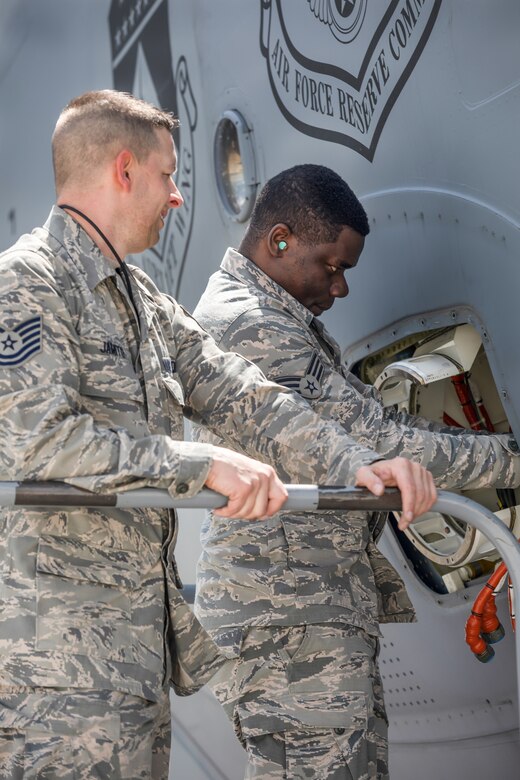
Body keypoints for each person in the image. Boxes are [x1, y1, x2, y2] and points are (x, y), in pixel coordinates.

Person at [0, 95, 436, 779]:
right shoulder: (29, 282)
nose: (177, 196)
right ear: (123, 171)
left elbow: (246, 398)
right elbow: (37, 442)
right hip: (54, 675)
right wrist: (201, 465)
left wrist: (360, 464)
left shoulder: (144, 303)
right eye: (167, 175)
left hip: (133, 662)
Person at [192, 164, 520, 780]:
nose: (340, 288)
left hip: (312, 613)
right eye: (332, 265)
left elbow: (372, 420)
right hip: (288, 625)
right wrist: (510, 460)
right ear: (280, 240)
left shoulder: (280, 317)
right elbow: (376, 439)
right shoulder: (250, 325)